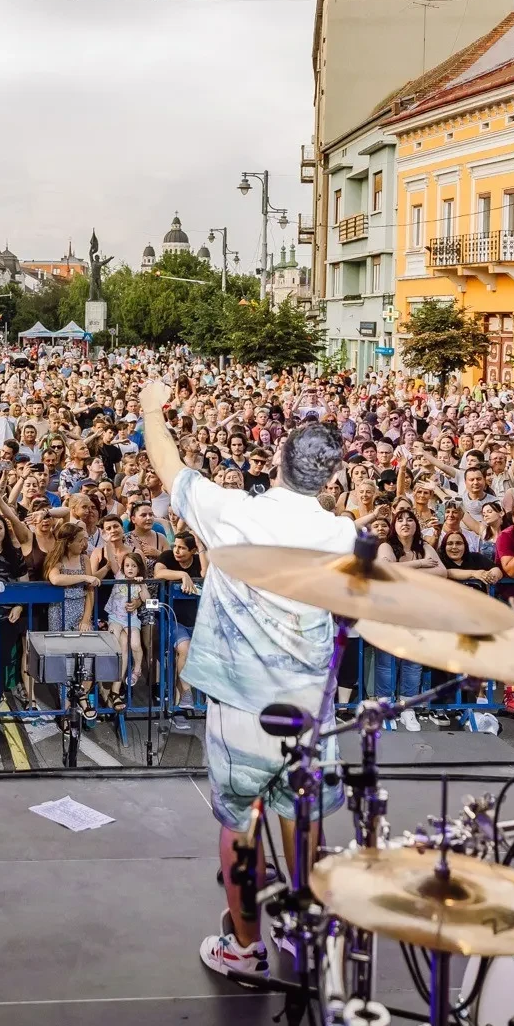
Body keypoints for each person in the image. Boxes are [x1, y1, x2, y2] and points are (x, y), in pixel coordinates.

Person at [136, 377, 353, 986]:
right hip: (308, 704)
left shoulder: (233, 510)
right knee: (303, 821)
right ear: (331, 478)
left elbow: (168, 466)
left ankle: (245, 947)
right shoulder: (342, 534)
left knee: (240, 825)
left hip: (241, 707)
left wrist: (152, 407)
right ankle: (304, 933)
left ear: (277, 459)